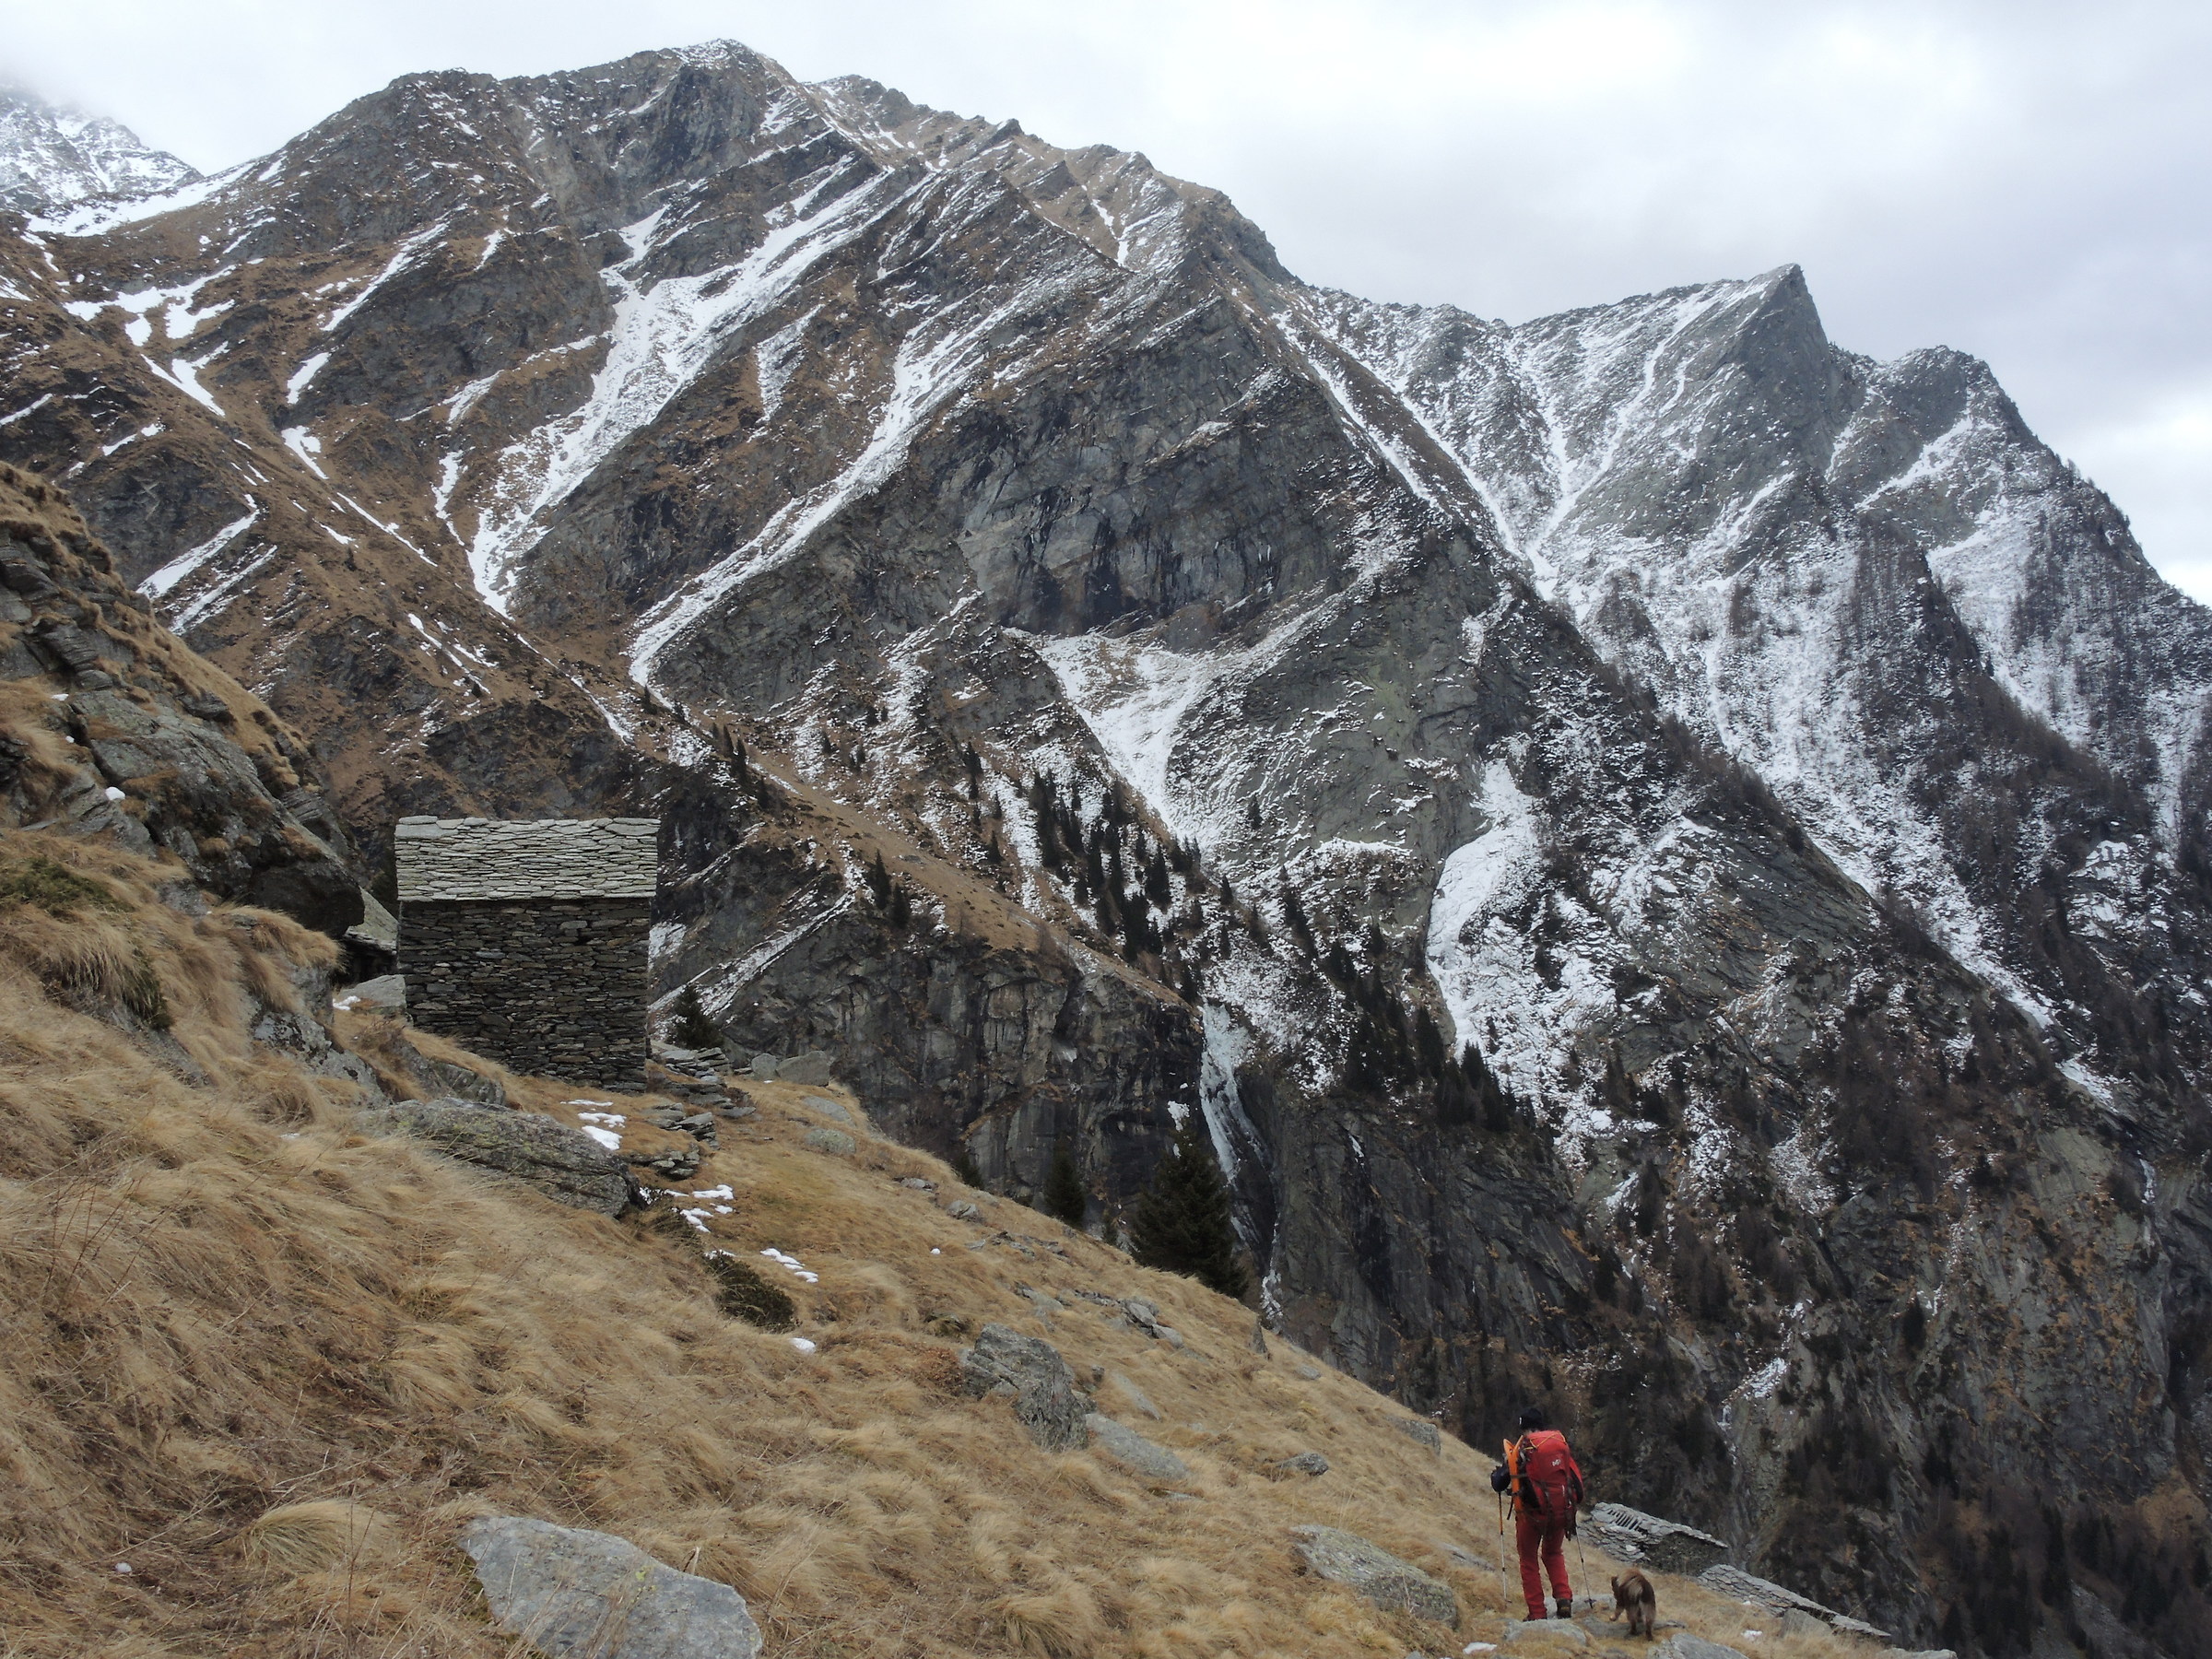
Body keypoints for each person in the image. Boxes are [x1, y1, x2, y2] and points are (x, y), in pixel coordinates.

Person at [1489, 1405, 1585, 1619]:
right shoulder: (1558, 1445)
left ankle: (1537, 1612)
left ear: (1523, 1428)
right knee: (1553, 1553)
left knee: (1528, 1560)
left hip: (1532, 1517)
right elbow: (1575, 1481)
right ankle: (1563, 1598)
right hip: (1561, 1513)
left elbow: (1498, 1483)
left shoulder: (1523, 1450)